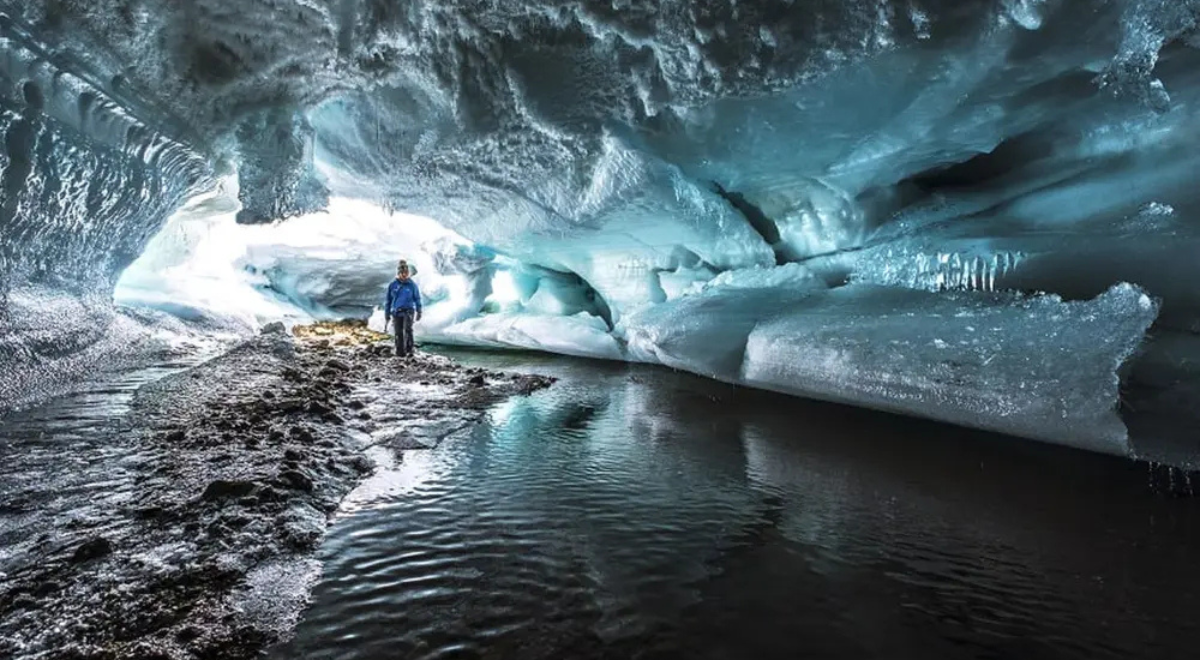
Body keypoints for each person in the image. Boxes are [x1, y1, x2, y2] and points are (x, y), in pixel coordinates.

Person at [384, 261, 422, 357]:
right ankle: (400, 353)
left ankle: (410, 350)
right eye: (402, 273)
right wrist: (387, 314)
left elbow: (417, 298)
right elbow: (388, 300)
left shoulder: (412, 285)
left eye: (406, 273)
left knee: (407, 329)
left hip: (408, 311)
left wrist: (419, 310)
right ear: (399, 273)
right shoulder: (393, 285)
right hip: (396, 312)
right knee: (398, 332)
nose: (404, 275)